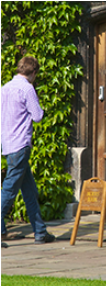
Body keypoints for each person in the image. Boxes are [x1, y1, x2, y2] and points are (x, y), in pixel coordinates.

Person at [1, 56, 55, 244]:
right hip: (21, 145)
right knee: (9, 189)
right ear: (33, 73)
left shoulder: (5, 88)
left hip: (7, 144)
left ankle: (40, 232)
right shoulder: (27, 88)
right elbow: (38, 116)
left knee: (29, 190)